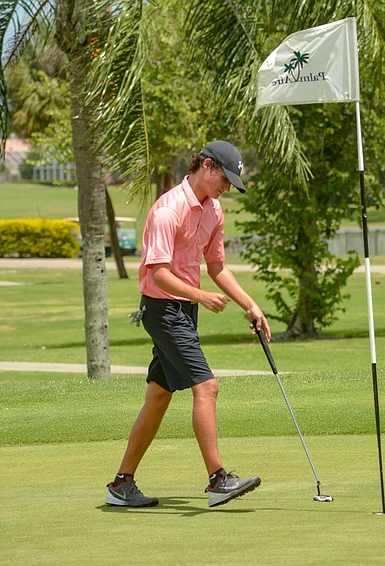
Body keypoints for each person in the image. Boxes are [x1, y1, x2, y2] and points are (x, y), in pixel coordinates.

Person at [105, 140, 272, 509]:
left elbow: (216, 268)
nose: (226, 188)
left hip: (184, 311)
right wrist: (202, 297)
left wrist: (250, 304)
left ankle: (121, 483)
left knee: (160, 395)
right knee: (207, 387)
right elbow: (159, 275)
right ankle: (217, 479)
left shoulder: (214, 211)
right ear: (206, 165)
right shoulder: (168, 209)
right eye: (225, 179)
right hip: (163, 310)